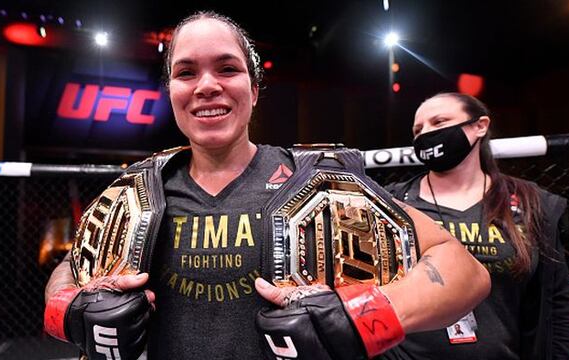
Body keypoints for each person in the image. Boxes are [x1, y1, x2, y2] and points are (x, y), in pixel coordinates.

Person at [44, 12, 491, 360]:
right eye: (186, 73)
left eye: (227, 69)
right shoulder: (136, 191)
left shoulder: (322, 181)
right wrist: (67, 306)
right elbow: (68, 268)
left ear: (254, 90)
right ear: (171, 92)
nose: (207, 86)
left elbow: (465, 272)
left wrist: (364, 316)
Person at [384, 92, 569, 359]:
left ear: (480, 126)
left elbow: (558, 303)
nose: (425, 133)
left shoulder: (529, 202)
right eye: (418, 129)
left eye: (439, 122)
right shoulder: (392, 203)